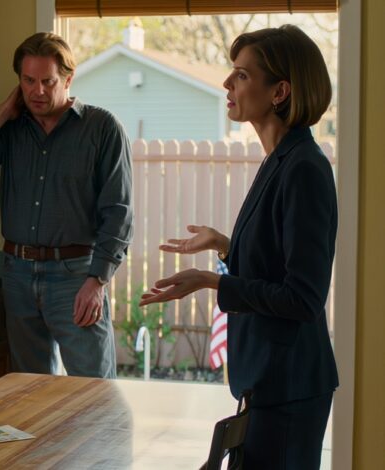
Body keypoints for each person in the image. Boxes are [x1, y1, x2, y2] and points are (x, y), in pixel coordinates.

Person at [139, 25, 337, 468]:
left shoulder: (304, 168)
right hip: (268, 380)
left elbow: (302, 298)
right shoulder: (279, 160)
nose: (227, 84)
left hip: (289, 386)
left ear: (279, 91)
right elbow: (276, 267)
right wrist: (227, 246)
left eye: (241, 75)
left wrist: (210, 280)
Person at [0, 32, 132, 379]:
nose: (38, 91)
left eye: (47, 81)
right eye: (28, 81)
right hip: (16, 274)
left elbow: (119, 213)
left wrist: (98, 281)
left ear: (67, 78)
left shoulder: (102, 128)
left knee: (91, 392)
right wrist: (5, 109)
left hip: (76, 277)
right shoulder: (11, 128)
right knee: (28, 390)